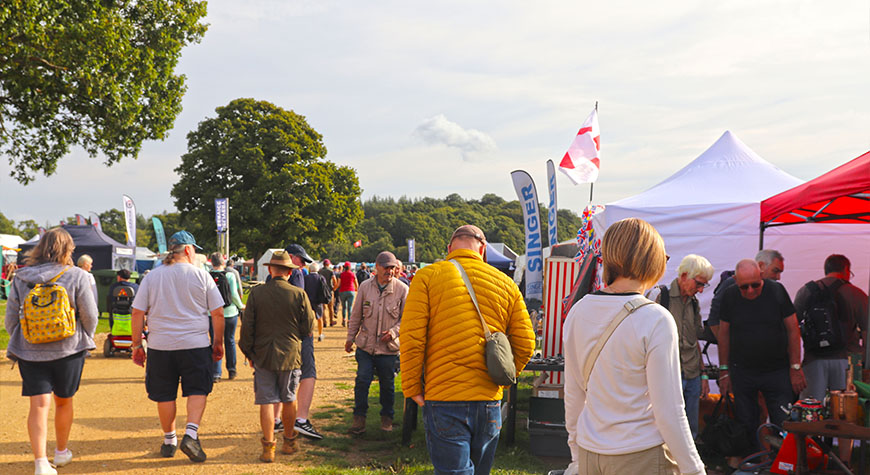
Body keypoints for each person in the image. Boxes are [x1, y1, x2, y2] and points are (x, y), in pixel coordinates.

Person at [561, 218, 705, 475]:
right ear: (652, 260)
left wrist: (576, 455)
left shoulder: (578, 311)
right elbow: (669, 410)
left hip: (591, 451)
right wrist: (694, 469)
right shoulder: (655, 319)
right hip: (640, 453)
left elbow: (573, 394)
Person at [401, 224, 535, 474]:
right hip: (488, 399)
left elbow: (411, 339)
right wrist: (504, 379)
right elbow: (526, 342)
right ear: (483, 250)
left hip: (443, 395)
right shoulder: (505, 283)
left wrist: (411, 387)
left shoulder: (427, 277)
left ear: (450, 248)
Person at [5, 228, 98, 475]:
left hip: (30, 350)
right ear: (68, 250)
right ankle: (61, 452)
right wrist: (84, 337)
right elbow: (90, 315)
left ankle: (40, 463)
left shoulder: (21, 278)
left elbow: (11, 319)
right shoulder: (77, 275)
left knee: (39, 404)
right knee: (64, 401)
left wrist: (23, 340)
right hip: (69, 349)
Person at [130, 231, 226, 463]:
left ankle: (169, 439)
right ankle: (191, 434)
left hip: (161, 345)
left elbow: (137, 312)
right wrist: (218, 342)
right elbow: (218, 313)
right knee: (197, 390)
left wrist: (136, 345)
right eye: (194, 249)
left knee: (164, 394)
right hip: (195, 344)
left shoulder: (152, 277)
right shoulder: (201, 276)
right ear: (187, 250)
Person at [717, 259, 806, 455]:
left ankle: (783, 463)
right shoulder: (730, 296)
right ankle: (755, 463)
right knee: (746, 421)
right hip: (743, 371)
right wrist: (724, 371)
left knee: (782, 422)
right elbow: (724, 334)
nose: (750, 291)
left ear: (762, 276)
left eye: (755, 285)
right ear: (735, 281)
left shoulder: (776, 291)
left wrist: (795, 367)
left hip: (777, 370)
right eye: (744, 287)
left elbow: (793, 329)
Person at [239, 251, 315, 462]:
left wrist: (249, 352)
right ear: (289, 273)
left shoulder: (256, 293)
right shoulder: (299, 294)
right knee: (289, 399)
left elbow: (247, 328)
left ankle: (268, 448)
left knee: (266, 401)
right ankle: (289, 443)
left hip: (262, 354)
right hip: (290, 354)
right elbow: (308, 327)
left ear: (270, 270)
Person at [795, 254, 868, 464]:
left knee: (810, 412)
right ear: (846, 269)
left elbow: (792, 324)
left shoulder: (807, 291)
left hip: (813, 360)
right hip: (847, 361)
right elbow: (867, 332)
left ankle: (809, 459)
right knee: (846, 416)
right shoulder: (857, 294)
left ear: (826, 269)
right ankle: (844, 461)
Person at [345, 251, 408, 434]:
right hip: (365, 346)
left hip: (388, 349)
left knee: (387, 385)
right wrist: (350, 339)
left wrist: (394, 332)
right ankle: (359, 420)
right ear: (377, 267)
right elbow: (356, 315)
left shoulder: (402, 289)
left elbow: (406, 319)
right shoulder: (365, 287)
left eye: (393, 268)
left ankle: (387, 420)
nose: (390, 271)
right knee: (362, 381)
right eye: (386, 267)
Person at [652, 254, 713, 441]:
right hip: (670, 375)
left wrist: (703, 375)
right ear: (685, 275)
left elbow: (694, 340)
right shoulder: (661, 297)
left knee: (691, 430)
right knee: (666, 428)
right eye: (699, 284)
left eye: (704, 285)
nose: (701, 290)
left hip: (692, 373)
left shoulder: (693, 303)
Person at [283, 243, 324, 440]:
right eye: (301, 260)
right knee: (308, 372)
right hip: (298, 333)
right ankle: (301, 420)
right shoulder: (297, 274)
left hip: (277, 333)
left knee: (279, 377)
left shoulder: (271, 276)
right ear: (291, 257)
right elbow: (298, 302)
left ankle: (276, 421)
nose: (302, 265)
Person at [708, 249, 784, 340]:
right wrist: (727, 346)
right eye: (775, 271)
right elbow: (714, 320)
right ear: (761, 266)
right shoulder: (731, 285)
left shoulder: (774, 289)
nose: (778, 277)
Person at [209, 253, 245, 381]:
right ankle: (232, 370)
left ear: (211, 262)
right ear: (223, 262)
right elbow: (234, 294)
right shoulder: (229, 275)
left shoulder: (207, 276)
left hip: (212, 313)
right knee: (230, 341)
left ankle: (216, 373)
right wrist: (241, 306)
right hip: (230, 313)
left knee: (215, 341)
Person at [106, 269, 139, 344]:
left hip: (116, 312)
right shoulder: (136, 287)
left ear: (119, 277)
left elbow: (110, 299)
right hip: (131, 312)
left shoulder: (113, 287)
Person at [318, 259, 338, 326]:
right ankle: (331, 321)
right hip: (329, 291)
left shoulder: (319, 271)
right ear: (328, 264)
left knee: (323, 308)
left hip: (321, 291)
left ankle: (324, 322)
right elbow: (334, 281)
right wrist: (334, 288)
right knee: (330, 308)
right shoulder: (331, 271)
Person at [338, 262, 358, 327]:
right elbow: (356, 284)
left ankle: (343, 319)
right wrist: (357, 289)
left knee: (344, 307)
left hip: (342, 291)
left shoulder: (341, 274)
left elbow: (339, 283)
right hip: (351, 291)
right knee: (350, 307)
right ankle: (349, 320)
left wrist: (335, 288)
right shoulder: (352, 274)